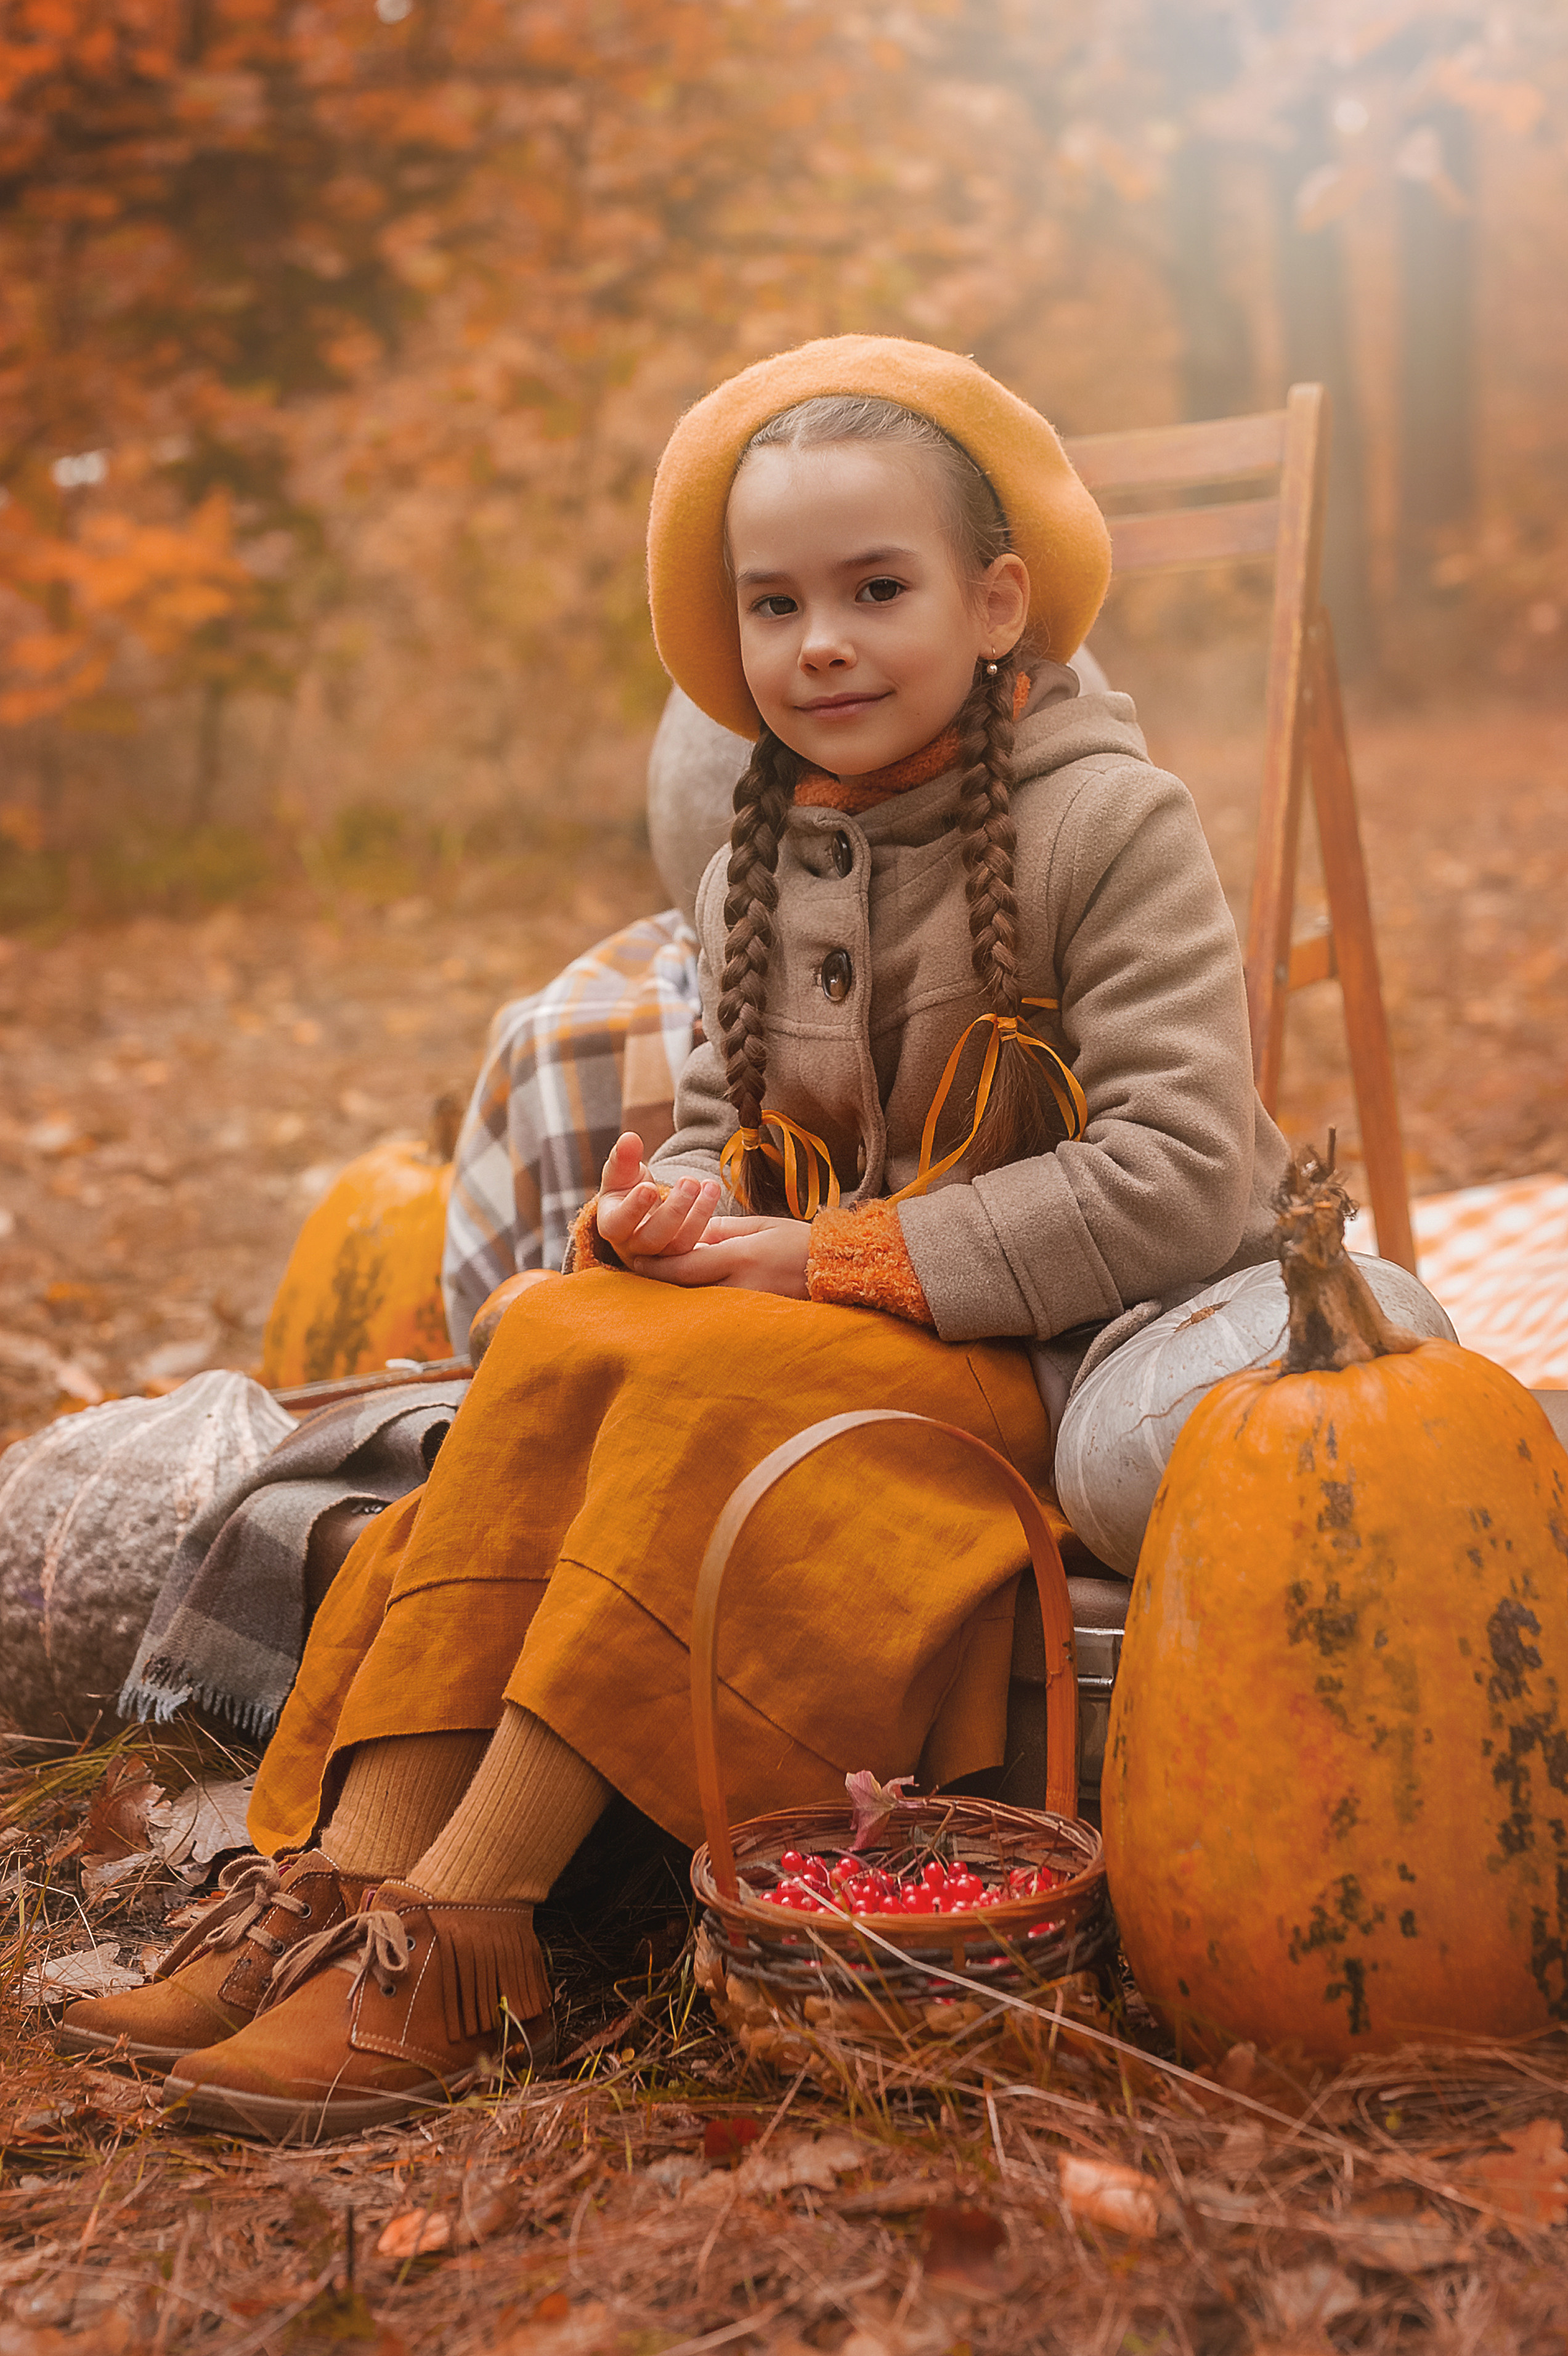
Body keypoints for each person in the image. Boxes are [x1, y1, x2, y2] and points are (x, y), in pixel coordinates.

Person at [61, 334, 1291, 2140]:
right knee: (563, 1329)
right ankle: (345, 1896)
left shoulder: (1109, 824)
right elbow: (733, 1147)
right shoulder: (751, 861)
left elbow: (1180, 1176)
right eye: (775, 604)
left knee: (721, 1391)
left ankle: (467, 1927)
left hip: (1059, 1340)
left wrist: (823, 1261)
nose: (823, 644)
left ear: (996, 596)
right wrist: (685, 1210)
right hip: (836, 1329)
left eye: (877, 590)